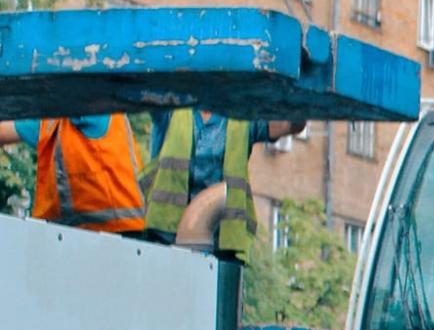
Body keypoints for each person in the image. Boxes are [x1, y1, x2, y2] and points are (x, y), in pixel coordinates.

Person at [139, 108, 302, 256]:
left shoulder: (242, 118)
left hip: (222, 240)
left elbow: (288, 124)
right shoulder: (172, 109)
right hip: (165, 232)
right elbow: (147, 92)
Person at [0, 115, 146, 234]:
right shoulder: (53, 124)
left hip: (121, 232)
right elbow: (6, 131)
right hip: (75, 235)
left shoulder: (92, 109)